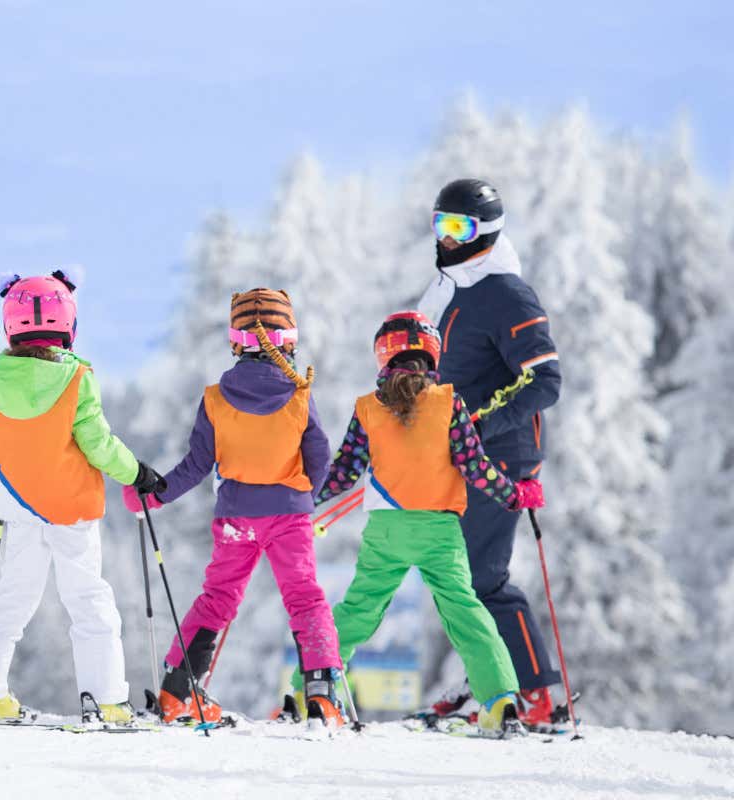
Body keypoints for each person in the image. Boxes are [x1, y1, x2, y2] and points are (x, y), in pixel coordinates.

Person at [308, 310, 545, 737]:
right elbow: (475, 466)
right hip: (440, 531)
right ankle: (501, 702)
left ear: (383, 356)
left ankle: (315, 692)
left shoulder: (368, 408)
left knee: (360, 610)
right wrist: (514, 494)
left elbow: (343, 471)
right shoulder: (450, 405)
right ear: (432, 355)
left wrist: (301, 497)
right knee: (467, 613)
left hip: (387, 531)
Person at [122, 288, 345, 726]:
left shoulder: (215, 399)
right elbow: (319, 460)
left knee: (218, 598)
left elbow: (196, 465)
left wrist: (154, 495)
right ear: (288, 340)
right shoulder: (300, 397)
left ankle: (177, 692)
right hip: (289, 516)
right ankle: (321, 694)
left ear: (235, 340)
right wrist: (302, 500)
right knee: (304, 599)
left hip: (236, 519)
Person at [0, 271, 161, 725]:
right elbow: (98, 443)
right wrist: (138, 473)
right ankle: (106, 700)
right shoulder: (76, 379)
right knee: (88, 600)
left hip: (17, 509)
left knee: (10, 598)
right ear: (68, 324)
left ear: (10, 325)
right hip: (71, 511)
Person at [416, 179, 564, 728]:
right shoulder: (451, 289)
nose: (449, 239)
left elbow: (544, 380)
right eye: (442, 225)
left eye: (462, 228)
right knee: (455, 577)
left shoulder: (504, 292)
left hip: (498, 454)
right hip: (455, 453)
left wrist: (479, 425)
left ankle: (532, 694)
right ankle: (486, 681)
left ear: (488, 232)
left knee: (483, 579)